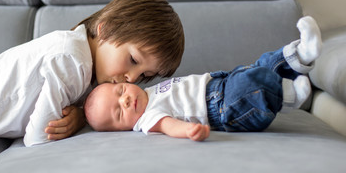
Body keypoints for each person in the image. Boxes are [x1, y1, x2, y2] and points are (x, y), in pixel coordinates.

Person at [0, 0, 185, 146]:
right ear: (105, 30)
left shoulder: (89, 66)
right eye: (133, 60)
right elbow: (38, 137)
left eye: (144, 75)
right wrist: (77, 123)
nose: (132, 79)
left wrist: (81, 115)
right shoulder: (72, 61)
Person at [84, 16, 322, 141]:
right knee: (251, 87)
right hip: (222, 109)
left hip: (219, 84)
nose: (125, 101)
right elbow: (169, 126)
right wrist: (188, 131)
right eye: (118, 113)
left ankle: (300, 54)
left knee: (260, 66)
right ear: (121, 129)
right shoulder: (147, 119)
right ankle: (290, 98)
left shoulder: (150, 92)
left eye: (120, 92)